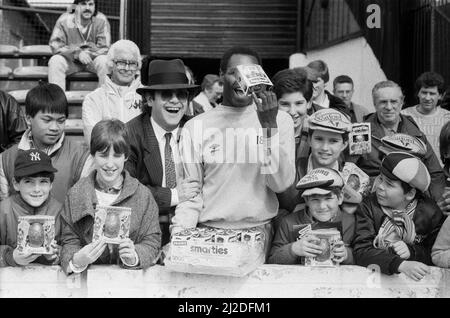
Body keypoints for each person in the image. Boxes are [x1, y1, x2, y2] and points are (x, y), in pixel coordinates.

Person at [170, 46, 296, 255]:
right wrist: (180, 238)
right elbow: (191, 194)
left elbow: (280, 183)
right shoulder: (196, 126)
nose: (242, 81)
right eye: (234, 73)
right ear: (221, 75)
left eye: (249, 74)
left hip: (260, 234)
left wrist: (268, 127)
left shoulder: (280, 121)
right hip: (209, 236)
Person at [60, 119, 161, 274]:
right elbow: (68, 240)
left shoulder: (142, 195)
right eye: (103, 155)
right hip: (88, 283)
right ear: (93, 154)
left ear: (126, 156)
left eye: (117, 155)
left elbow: (152, 240)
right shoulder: (76, 193)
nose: (110, 164)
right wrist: (77, 259)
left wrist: (136, 255)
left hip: (129, 284)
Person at [125, 59, 200, 246]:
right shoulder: (129, 134)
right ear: (149, 99)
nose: (175, 100)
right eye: (167, 94)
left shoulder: (199, 130)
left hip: (196, 229)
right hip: (143, 233)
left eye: (182, 95)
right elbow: (127, 192)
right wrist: (175, 195)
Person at [353, 152, 444, 281]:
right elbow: (361, 250)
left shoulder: (431, 213)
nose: (380, 187)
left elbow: (436, 252)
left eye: (389, 184)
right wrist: (400, 264)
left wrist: (412, 252)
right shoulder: (368, 206)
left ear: (410, 193)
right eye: (380, 178)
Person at [352, 80, 445, 202]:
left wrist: (435, 202)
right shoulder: (360, 132)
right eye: (383, 102)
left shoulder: (415, 132)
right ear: (374, 104)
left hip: (412, 200)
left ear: (402, 102)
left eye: (394, 101)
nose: (389, 107)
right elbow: (350, 171)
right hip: (374, 200)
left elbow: (435, 173)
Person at [0, 83, 92, 204]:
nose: (54, 127)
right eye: (47, 120)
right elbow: (4, 209)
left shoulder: (81, 157)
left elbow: (83, 206)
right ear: (28, 119)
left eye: (61, 121)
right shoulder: (6, 159)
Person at [268, 168, 354, 265]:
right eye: (315, 200)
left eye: (328, 198)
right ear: (306, 200)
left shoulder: (350, 222)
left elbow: (362, 255)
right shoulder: (289, 222)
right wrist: (292, 249)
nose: (322, 206)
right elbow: (272, 260)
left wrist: (347, 254)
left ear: (340, 198)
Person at [0, 149, 61, 267]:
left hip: (49, 281)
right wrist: (11, 257)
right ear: (16, 184)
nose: (37, 189)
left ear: (51, 184)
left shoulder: (60, 210)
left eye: (43, 181)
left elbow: (71, 245)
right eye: (28, 181)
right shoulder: (3, 210)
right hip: (10, 281)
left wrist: (55, 255)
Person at [82, 39, 143, 145]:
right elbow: (93, 140)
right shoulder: (93, 99)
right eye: (121, 63)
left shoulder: (147, 97)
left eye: (132, 63)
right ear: (111, 64)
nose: (127, 68)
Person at [48, 0, 111, 91]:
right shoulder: (64, 19)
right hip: (71, 61)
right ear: (76, 6)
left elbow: (104, 48)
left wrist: (87, 54)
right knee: (55, 61)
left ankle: (104, 102)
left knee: (105, 62)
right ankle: (58, 103)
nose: (87, 8)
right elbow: (55, 45)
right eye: (83, 4)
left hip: (92, 61)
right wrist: (77, 53)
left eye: (91, 4)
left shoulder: (101, 19)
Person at [401, 72, 450, 166]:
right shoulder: (403, 115)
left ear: (440, 96)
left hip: (441, 174)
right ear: (418, 93)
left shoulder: (448, 118)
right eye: (424, 92)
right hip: (412, 172)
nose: (427, 98)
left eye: (432, 93)